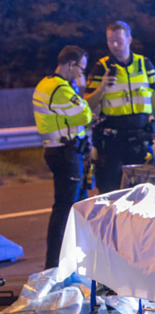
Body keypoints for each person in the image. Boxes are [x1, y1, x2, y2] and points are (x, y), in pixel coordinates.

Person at [33, 46, 93, 270]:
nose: (80, 74)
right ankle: (55, 267)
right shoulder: (59, 88)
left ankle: (66, 265)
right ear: (71, 64)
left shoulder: (47, 84)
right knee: (66, 210)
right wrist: (82, 98)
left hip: (61, 150)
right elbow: (85, 114)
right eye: (80, 69)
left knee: (72, 207)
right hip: (65, 153)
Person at [84, 21, 155, 194]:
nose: (114, 45)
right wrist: (102, 88)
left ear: (129, 39)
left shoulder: (144, 64)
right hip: (113, 141)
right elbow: (87, 105)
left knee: (144, 193)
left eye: (119, 40)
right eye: (110, 40)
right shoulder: (101, 68)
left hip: (140, 139)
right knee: (111, 192)